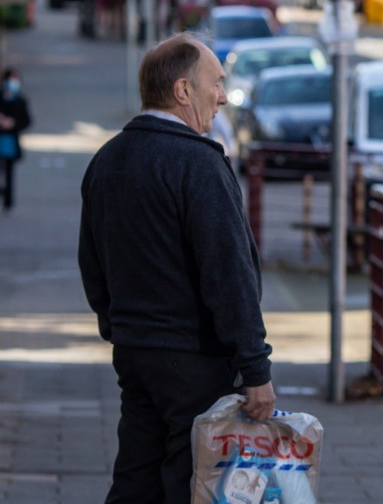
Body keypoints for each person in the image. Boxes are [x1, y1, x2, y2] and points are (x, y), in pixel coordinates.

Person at [79, 34, 276, 504]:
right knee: (190, 482)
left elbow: (92, 261)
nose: (224, 96)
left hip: (135, 352)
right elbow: (229, 273)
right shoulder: (197, 163)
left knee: (136, 478)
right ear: (184, 91)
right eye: (217, 83)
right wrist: (255, 367)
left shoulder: (106, 160)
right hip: (194, 357)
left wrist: (120, 327)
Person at [0, 68, 32, 211]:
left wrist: (13, 123)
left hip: (11, 142)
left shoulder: (20, 100)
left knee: (9, 173)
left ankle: (8, 201)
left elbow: (26, 121)